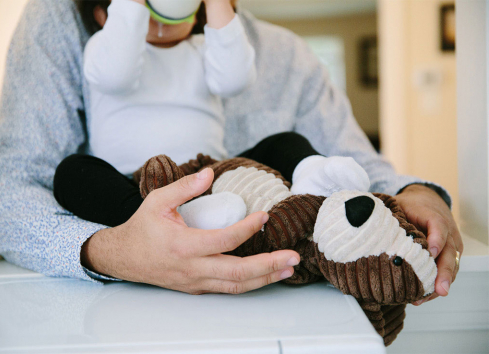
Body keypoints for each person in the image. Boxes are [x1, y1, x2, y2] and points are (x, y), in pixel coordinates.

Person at [0, 0, 461, 303]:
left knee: (288, 146)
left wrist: (416, 193)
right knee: (75, 173)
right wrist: (118, 250)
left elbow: (364, 167)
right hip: (138, 196)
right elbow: (12, 199)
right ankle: (151, 221)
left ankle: (303, 189)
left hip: (224, 179)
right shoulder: (66, 22)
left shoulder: (281, 55)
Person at [53, 0, 370, 230]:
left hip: (208, 176)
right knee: (72, 174)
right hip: (128, 182)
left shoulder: (204, 48)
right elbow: (116, 74)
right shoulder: (100, 48)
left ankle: (316, 175)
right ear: (104, 15)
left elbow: (235, 78)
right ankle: (160, 220)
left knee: (284, 142)